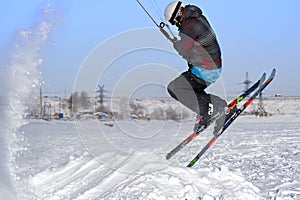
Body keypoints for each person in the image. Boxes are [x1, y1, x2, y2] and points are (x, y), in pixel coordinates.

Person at [164, 1, 228, 132]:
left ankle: (206, 112)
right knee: (192, 91)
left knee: (174, 88)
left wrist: (176, 45)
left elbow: (184, 50)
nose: (175, 25)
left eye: (173, 22)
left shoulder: (187, 27)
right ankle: (218, 106)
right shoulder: (197, 17)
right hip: (213, 67)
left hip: (205, 70)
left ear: (177, 16)